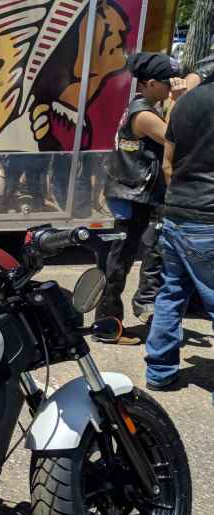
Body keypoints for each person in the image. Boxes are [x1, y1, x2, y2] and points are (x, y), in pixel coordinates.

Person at [95, 53, 185, 344]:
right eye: (166, 83)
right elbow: (176, 136)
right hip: (130, 195)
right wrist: (180, 100)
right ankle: (108, 327)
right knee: (118, 263)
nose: (171, 86)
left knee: (134, 256)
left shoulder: (146, 107)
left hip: (134, 193)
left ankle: (127, 313)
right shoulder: (144, 114)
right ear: (149, 84)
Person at [144, 67, 214, 390]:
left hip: (176, 215)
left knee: (171, 293)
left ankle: (159, 371)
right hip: (207, 221)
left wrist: (178, 201)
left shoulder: (183, 104)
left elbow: (168, 162)